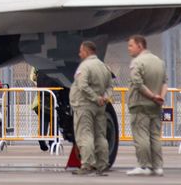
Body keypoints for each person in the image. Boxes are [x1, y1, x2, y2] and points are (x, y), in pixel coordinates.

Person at [69, 40, 114, 176]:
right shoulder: (104, 67)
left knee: (85, 134)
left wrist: (95, 98)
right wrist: (104, 98)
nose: (79, 53)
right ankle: (102, 164)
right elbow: (110, 87)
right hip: (100, 107)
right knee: (100, 135)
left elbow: (82, 85)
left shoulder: (85, 67)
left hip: (85, 105)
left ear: (87, 51)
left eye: (81, 51)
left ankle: (87, 164)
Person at [125, 35, 167, 177]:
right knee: (155, 136)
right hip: (155, 105)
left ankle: (144, 166)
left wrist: (151, 96)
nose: (129, 49)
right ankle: (158, 166)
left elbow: (137, 83)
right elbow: (164, 82)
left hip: (140, 104)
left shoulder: (137, 62)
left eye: (131, 45)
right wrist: (160, 97)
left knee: (141, 136)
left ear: (140, 46)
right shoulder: (159, 61)